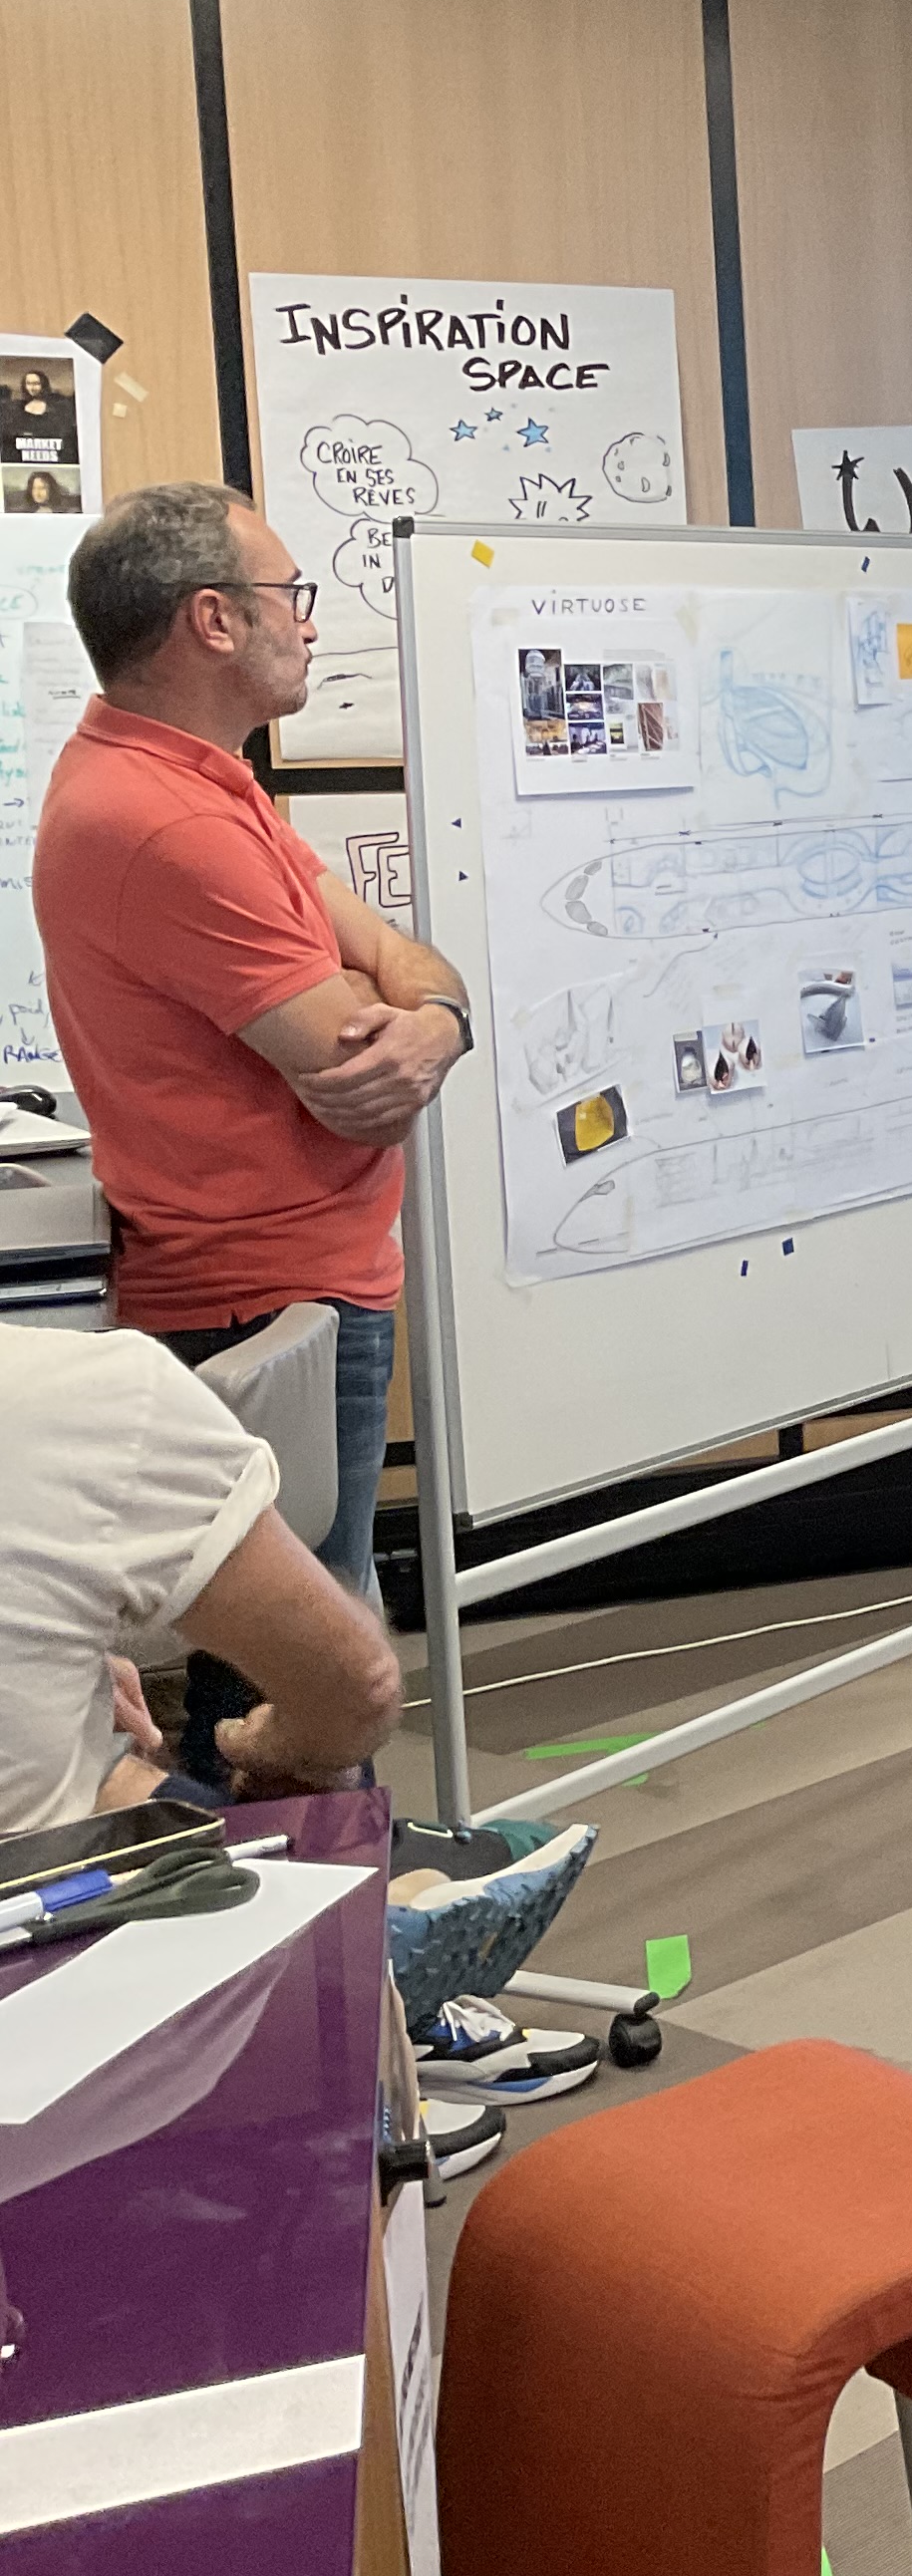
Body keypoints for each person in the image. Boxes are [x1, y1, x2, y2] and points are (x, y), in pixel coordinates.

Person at [34, 481, 474, 1783]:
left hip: (295, 1282)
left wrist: (438, 1017)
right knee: (309, 1692)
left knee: (304, 1659)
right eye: (292, 596)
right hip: (264, 1296)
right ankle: (287, 1897)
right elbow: (354, 1059)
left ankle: (295, 1888)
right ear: (214, 620)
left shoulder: (194, 780)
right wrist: (421, 1020)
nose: (311, 624)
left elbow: (392, 957)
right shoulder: (162, 817)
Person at [0, 1328, 402, 1833]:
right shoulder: (96, 1394)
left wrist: (43, 1663)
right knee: (338, 1780)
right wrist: (261, 1746)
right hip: (52, 1867)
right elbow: (364, 1689)